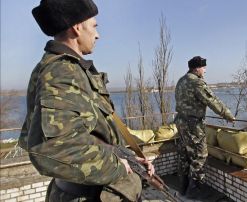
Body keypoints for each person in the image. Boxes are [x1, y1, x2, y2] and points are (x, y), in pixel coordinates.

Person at [19, 0, 154, 201]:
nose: (97, 34)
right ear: (77, 27)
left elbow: (92, 135)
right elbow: (53, 148)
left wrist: (127, 158)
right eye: (94, 26)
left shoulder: (71, 68)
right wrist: (117, 167)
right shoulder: (61, 71)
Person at [174, 56, 235, 199]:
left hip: (181, 122)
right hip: (193, 125)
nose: (205, 71)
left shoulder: (181, 81)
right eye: (203, 67)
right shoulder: (197, 82)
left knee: (184, 154)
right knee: (200, 155)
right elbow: (212, 100)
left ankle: (183, 187)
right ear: (197, 68)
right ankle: (194, 190)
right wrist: (228, 115)